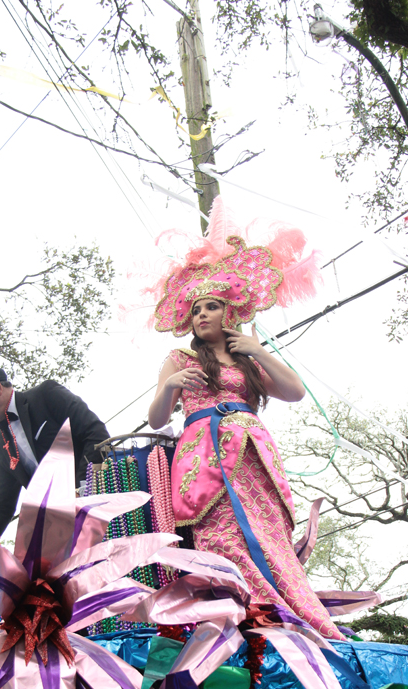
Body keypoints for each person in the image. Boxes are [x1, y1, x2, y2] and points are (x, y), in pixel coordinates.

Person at [147, 201, 344, 640]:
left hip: (251, 451)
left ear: (228, 313)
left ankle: (293, 614)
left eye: (211, 307)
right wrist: (168, 386)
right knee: (218, 534)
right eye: (195, 310)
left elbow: (293, 392)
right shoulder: (177, 358)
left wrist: (256, 351)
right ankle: (245, 615)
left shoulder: (247, 358)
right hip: (200, 456)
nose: (201, 315)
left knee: (265, 532)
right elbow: (158, 419)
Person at [0, 363, 110, 536]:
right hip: (67, 530)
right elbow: (2, 506)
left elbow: (96, 435)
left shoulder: (46, 395)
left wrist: (81, 491)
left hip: (104, 502)